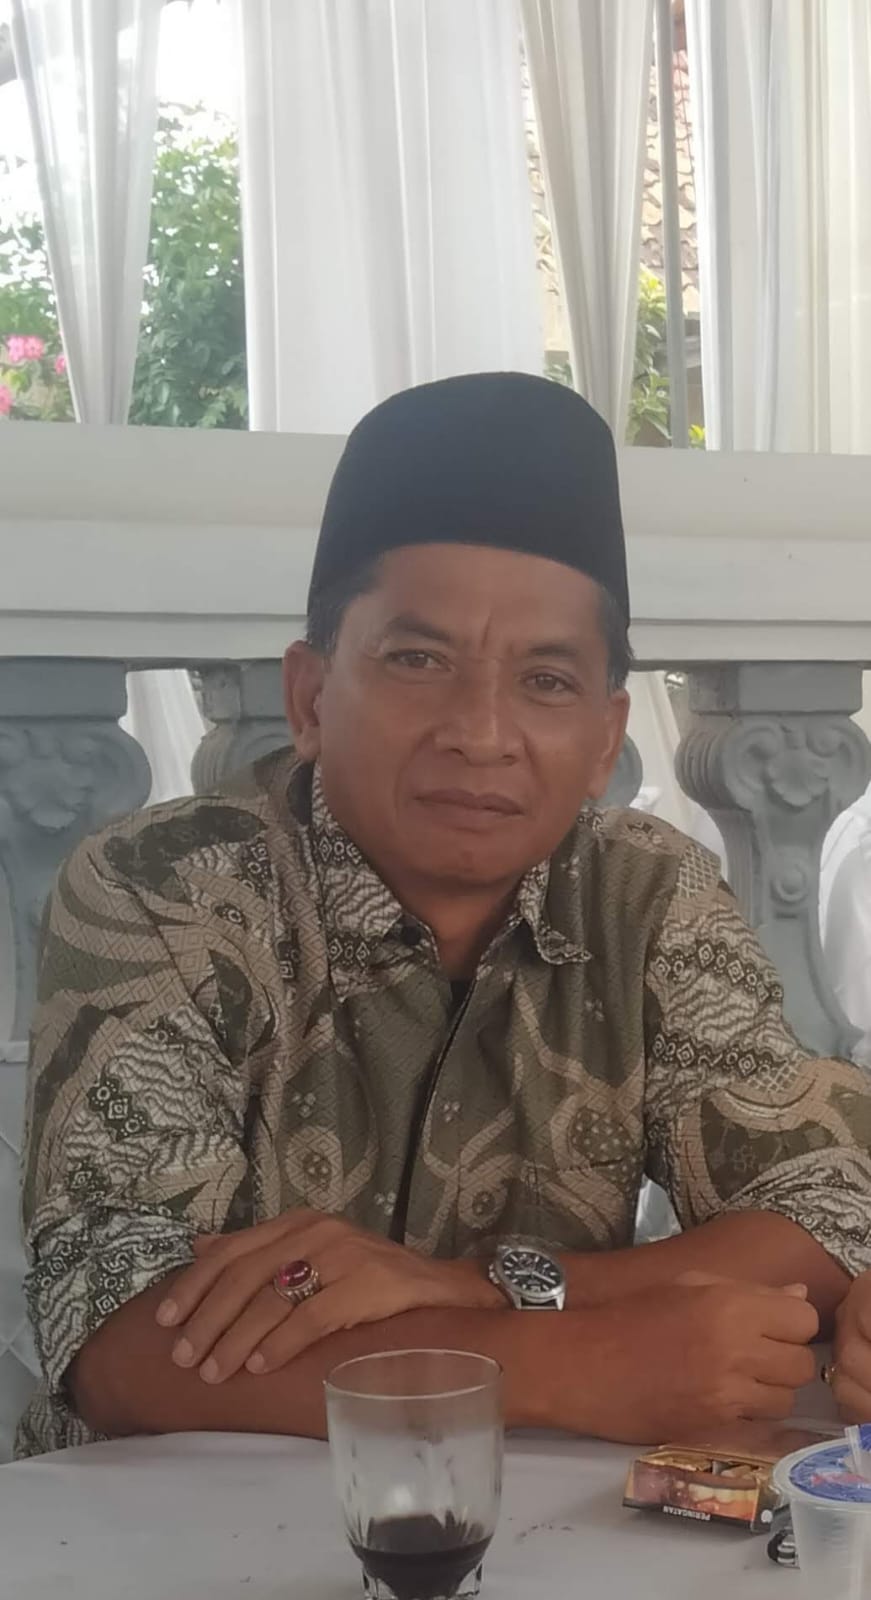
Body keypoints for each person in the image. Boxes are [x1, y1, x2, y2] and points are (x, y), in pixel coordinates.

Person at [19, 373, 871, 1458]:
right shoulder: (168, 889)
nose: (480, 732)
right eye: (417, 661)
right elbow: (119, 1342)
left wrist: (482, 1289)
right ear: (308, 696)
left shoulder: (646, 894)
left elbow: (823, 1208)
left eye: (546, 681)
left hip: (545, 1516)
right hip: (172, 1514)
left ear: (605, 741)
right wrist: (568, 1362)